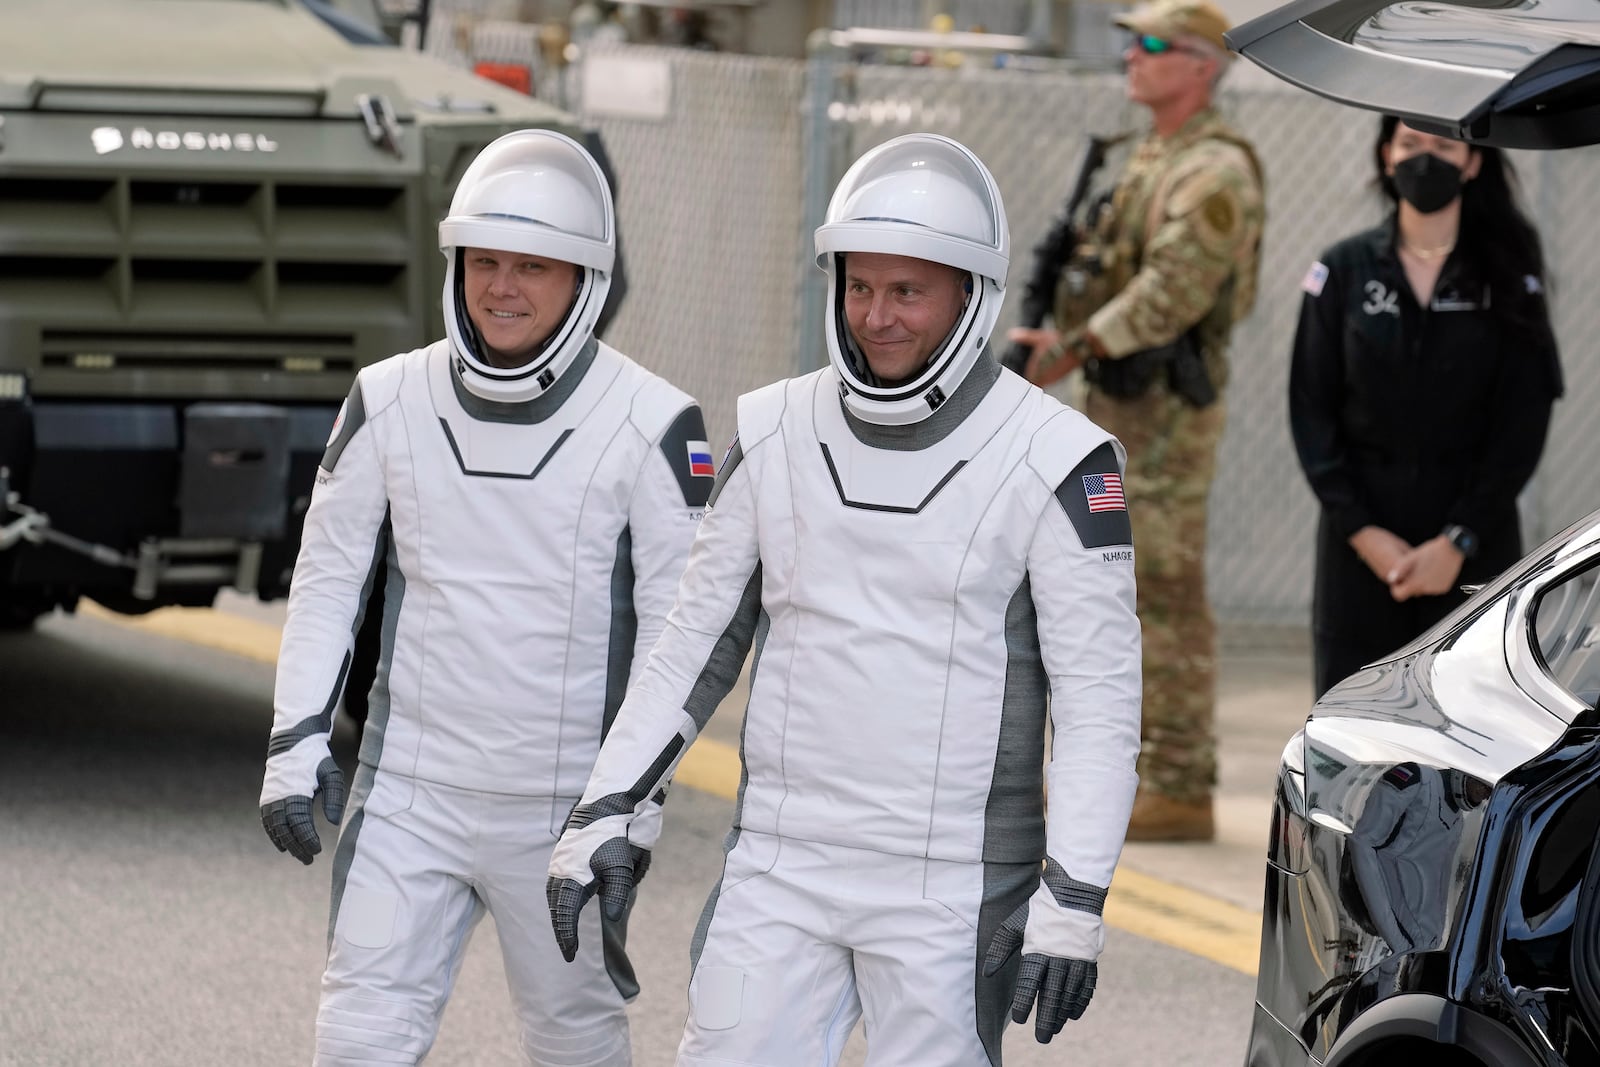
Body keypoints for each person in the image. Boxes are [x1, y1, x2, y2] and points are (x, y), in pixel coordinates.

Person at [548, 133, 1142, 1063]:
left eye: (908, 291)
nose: (877, 316)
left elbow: (1101, 705)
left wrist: (1074, 897)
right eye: (860, 287)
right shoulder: (773, 426)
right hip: (782, 865)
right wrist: (607, 809)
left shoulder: (1060, 458)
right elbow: (689, 644)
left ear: (970, 294)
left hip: (954, 886)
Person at [257, 129, 711, 1067]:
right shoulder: (387, 397)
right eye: (486, 261)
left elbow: (685, 640)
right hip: (408, 795)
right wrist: (296, 735)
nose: (502, 288)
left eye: (533, 267)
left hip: (563, 815)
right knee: (357, 1038)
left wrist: (630, 810)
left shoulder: (658, 423)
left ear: (586, 278)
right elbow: (328, 577)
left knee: (574, 1041)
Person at [1009, 0, 1264, 842]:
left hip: (1166, 414)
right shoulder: (1150, 158)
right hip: (1119, 401)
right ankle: (1133, 770)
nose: (1132, 56)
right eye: (1129, 42)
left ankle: (1182, 781)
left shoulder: (1215, 171)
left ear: (1201, 64)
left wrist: (1069, 350)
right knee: (1113, 587)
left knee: (1163, 590)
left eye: (1152, 44)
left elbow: (1170, 292)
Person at [1290, 116, 1562, 699]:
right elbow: (1311, 413)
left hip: (1474, 544)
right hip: (1361, 550)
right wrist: (1365, 534)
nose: (1425, 159)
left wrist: (1458, 540)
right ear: (1386, 154)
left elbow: (1523, 421)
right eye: (1410, 143)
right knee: (1353, 728)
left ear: (1473, 163)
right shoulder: (1342, 271)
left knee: (1475, 729)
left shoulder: (1509, 278)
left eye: (1444, 146)